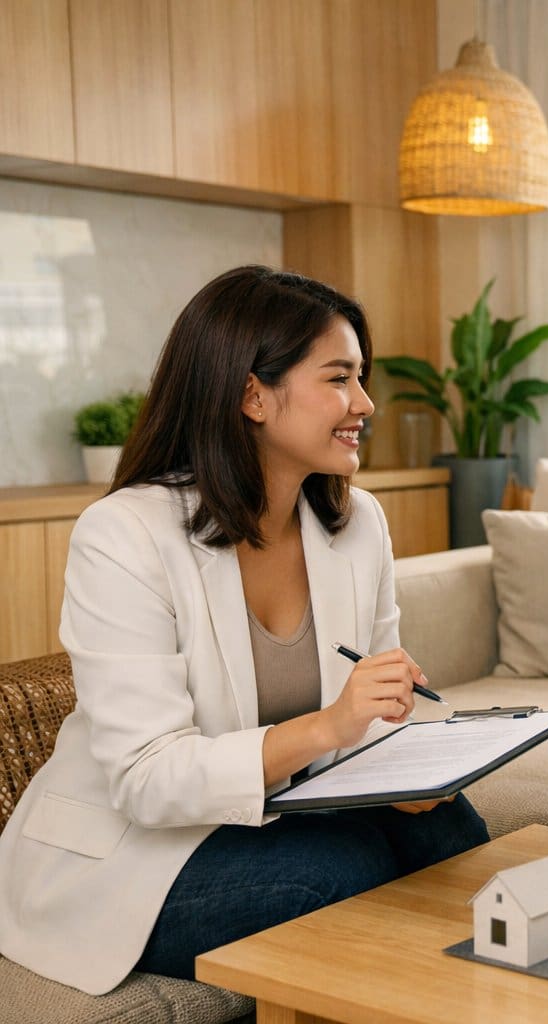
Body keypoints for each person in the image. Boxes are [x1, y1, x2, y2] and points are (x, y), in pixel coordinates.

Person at [0, 267, 488, 995]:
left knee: (454, 838)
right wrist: (330, 726)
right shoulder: (125, 535)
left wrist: (411, 765)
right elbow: (145, 777)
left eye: (362, 378)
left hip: (273, 813)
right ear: (253, 394)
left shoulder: (358, 527)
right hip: (134, 851)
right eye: (339, 379)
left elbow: (380, 707)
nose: (365, 402)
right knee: (339, 875)